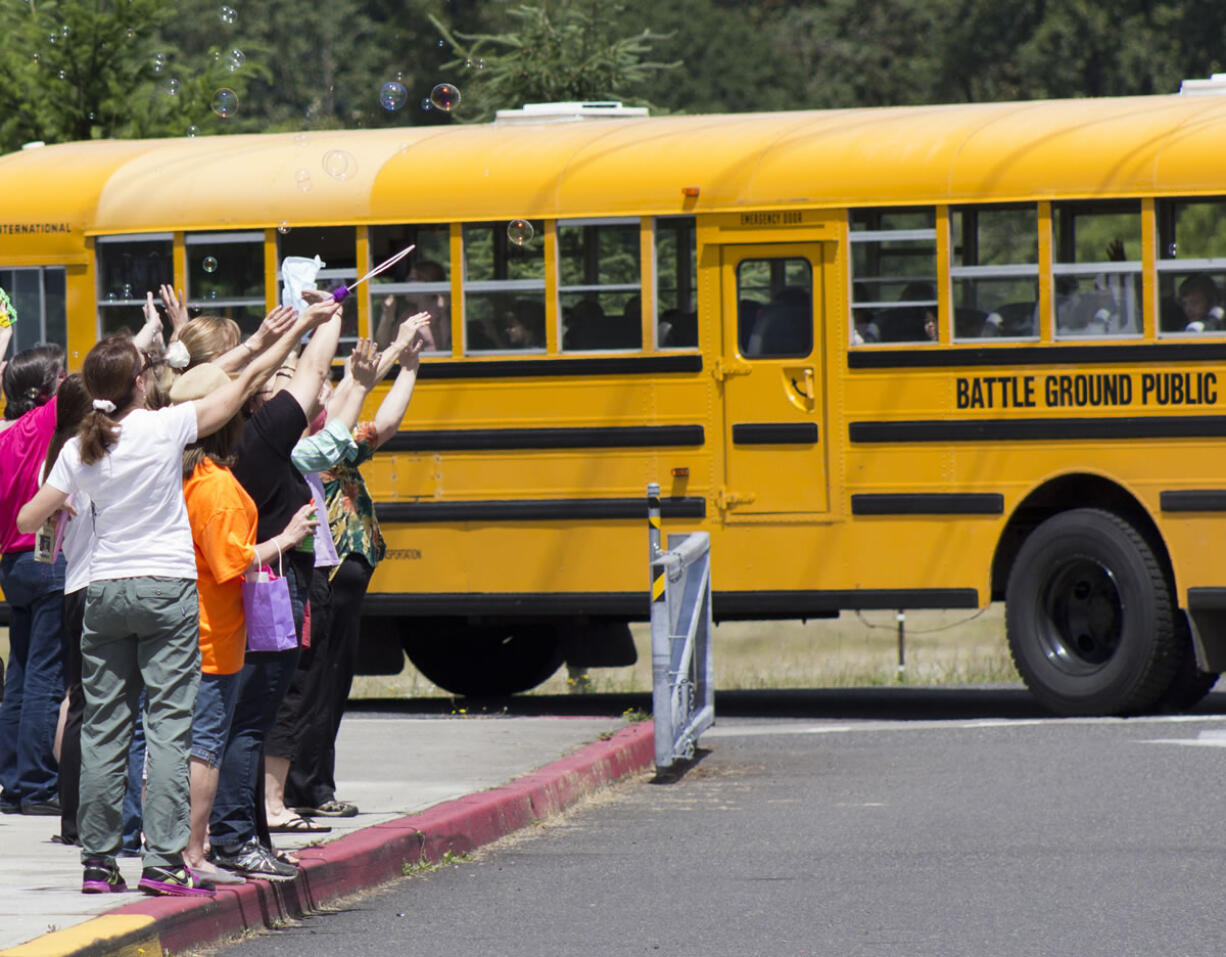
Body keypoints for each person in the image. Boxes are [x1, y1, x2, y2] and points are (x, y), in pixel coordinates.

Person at [16, 300, 333, 897]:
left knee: (106, 727)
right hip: (165, 588)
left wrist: (61, 509)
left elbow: (30, 514)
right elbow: (240, 389)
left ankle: (98, 862)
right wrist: (293, 333)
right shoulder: (168, 427)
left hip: (104, 590)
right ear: (140, 383)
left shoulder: (80, 448)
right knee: (169, 727)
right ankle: (163, 862)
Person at [208, 293, 346, 881]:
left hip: (253, 591)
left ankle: (249, 836)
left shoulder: (224, 439)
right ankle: (235, 838)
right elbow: (314, 377)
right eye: (274, 377)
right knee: (250, 722)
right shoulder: (259, 440)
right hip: (265, 591)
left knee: (248, 721)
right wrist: (327, 319)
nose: (284, 381)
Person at [170, 361, 317, 884]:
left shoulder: (186, 473)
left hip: (202, 628)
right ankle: (215, 844)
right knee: (222, 738)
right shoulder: (216, 487)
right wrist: (287, 537)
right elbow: (231, 560)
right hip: (216, 632)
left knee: (215, 735)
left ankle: (223, 840)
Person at [286, 311, 431, 820]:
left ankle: (315, 783)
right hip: (321, 578)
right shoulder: (309, 445)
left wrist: (407, 363)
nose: (329, 390)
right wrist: (393, 351)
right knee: (313, 684)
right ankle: (304, 788)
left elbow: (383, 421)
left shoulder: (339, 443)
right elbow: (357, 387)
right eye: (321, 385)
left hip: (347, 576)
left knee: (332, 682)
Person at [0, 345, 67, 816]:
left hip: (12, 564)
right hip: (47, 561)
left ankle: (11, 780)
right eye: (62, 375)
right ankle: (38, 783)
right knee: (46, 675)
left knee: (20, 672)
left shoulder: (3, 435)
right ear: (45, 388)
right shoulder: (43, 421)